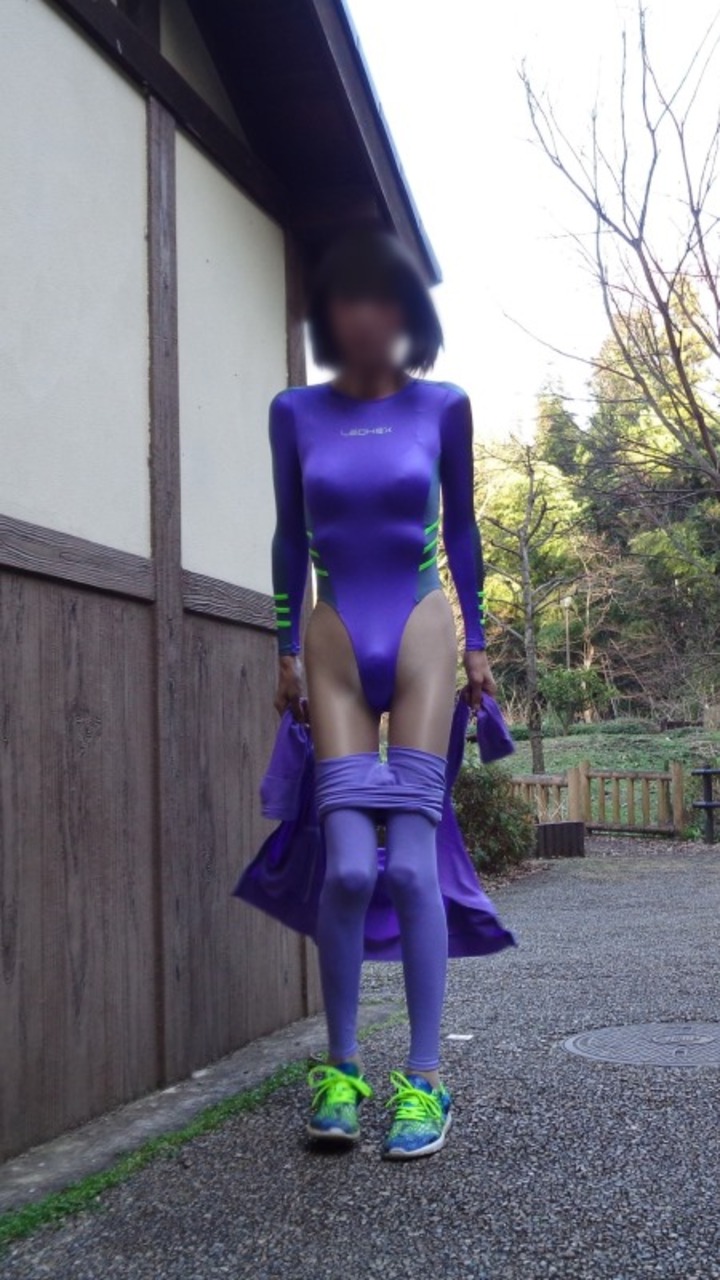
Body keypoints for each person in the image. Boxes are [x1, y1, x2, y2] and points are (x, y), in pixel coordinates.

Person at [269, 228, 496, 1160]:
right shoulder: (293, 411)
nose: (365, 313)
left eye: (382, 296)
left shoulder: (443, 406)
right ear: (330, 315)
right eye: (347, 297)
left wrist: (479, 640)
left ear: (407, 311)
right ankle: (340, 1070)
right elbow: (289, 536)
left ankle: (427, 1080)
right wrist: (283, 645)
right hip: (330, 640)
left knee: (407, 867)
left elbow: (464, 531)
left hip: (421, 634)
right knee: (350, 872)